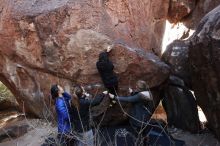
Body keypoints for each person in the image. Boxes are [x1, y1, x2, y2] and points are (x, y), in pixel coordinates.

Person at [109, 80, 153, 145]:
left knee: (137, 134)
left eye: (136, 86)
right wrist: (132, 92)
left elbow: (128, 99)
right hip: (145, 117)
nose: (135, 87)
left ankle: (139, 143)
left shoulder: (139, 96)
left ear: (139, 88)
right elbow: (138, 99)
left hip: (138, 118)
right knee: (144, 132)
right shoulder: (148, 93)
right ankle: (146, 143)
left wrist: (114, 97)